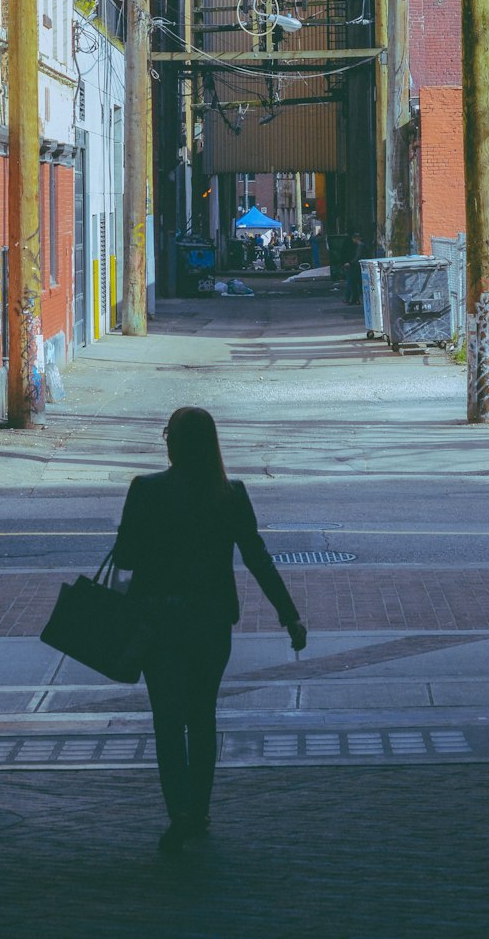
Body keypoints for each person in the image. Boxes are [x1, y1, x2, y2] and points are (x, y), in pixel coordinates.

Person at [113, 407, 307, 852]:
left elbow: (124, 558)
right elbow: (258, 558)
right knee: (202, 716)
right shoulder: (230, 494)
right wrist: (289, 614)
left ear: (173, 443)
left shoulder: (145, 491)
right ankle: (200, 809)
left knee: (167, 719)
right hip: (211, 624)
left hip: (158, 624)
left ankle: (178, 810)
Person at [344, 231, 365, 305]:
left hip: (357, 267)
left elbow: (357, 257)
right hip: (359, 267)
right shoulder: (362, 246)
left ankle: (354, 299)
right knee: (356, 284)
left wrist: (350, 263)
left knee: (354, 283)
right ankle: (355, 299)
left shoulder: (360, 246)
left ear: (355, 239)